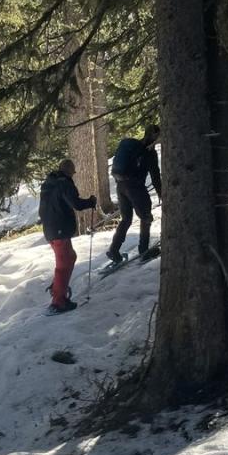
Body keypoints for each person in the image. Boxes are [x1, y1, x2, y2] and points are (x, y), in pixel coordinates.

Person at [39, 159, 97, 314]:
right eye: (73, 172)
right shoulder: (64, 184)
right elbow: (76, 204)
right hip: (60, 230)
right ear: (70, 171)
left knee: (70, 257)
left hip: (50, 230)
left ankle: (58, 287)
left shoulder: (48, 184)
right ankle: (58, 302)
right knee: (64, 265)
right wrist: (91, 202)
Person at [106, 123, 162, 263]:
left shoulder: (133, 146)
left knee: (126, 219)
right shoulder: (149, 153)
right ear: (154, 136)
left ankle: (114, 250)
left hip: (121, 185)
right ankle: (144, 251)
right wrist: (161, 194)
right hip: (135, 187)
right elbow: (155, 177)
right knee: (146, 217)